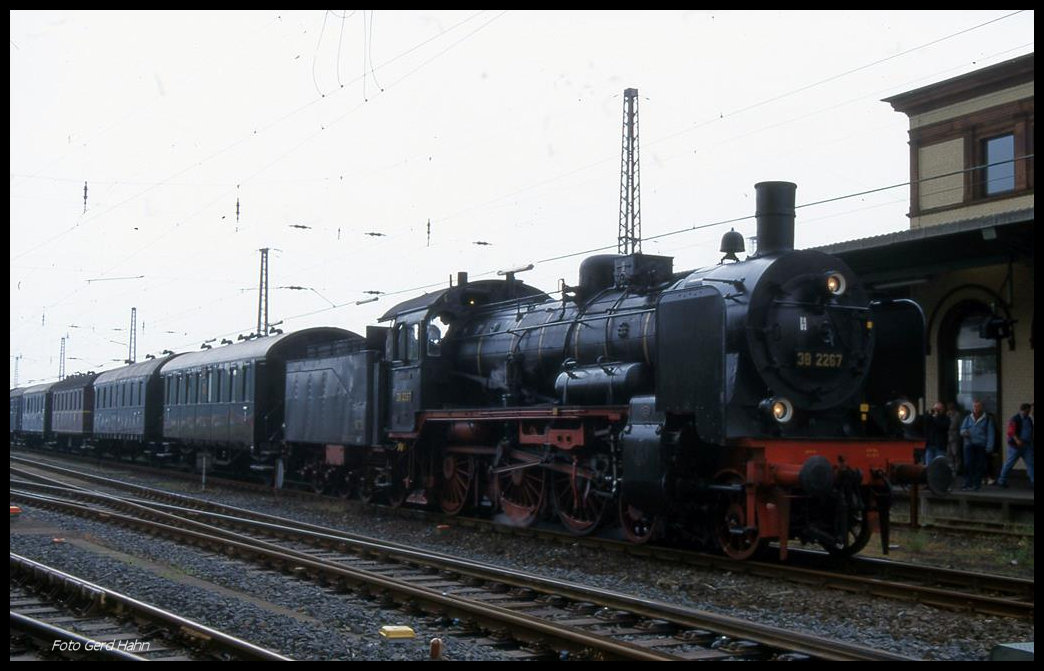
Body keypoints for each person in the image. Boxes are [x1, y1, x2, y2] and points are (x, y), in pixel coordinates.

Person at [993, 402, 1034, 489]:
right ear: (1022, 410)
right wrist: (1017, 440)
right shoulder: (1015, 419)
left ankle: (1033, 480)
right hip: (1015, 446)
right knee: (1009, 463)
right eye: (1026, 411)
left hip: (1026, 445)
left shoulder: (1029, 419)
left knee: (1031, 463)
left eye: (1028, 411)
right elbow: (1011, 432)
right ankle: (1002, 480)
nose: (1027, 413)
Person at [959, 399, 996, 491]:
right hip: (969, 444)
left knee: (979, 466)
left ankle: (976, 484)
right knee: (968, 464)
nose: (976, 408)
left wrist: (989, 447)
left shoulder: (987, 419)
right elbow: (962, 429)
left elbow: (991, 433)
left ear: (981, 407)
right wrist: (964, 432)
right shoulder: (968, 418)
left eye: (978, 406)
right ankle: (968, 483)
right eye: (974, 406)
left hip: (981, 444)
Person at [923, 401, 950, 465]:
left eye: (938, 409)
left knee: (939, 465)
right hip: (930, 445)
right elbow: (925, 422)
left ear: (942, 410)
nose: (936, 411)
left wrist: (936, 417)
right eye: (935, 409)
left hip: (940, 446)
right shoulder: (931, 417)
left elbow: (942, 426)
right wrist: (930, 414)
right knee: (929, 464)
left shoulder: (946, 418)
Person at [946, 401, 963, 474]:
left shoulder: (957, 415)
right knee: (949, 453)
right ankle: (951, 468)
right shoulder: (947, 414)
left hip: (955, 437)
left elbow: (960, 426)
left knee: (956, 453)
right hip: (947, 436)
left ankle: (957, 469)